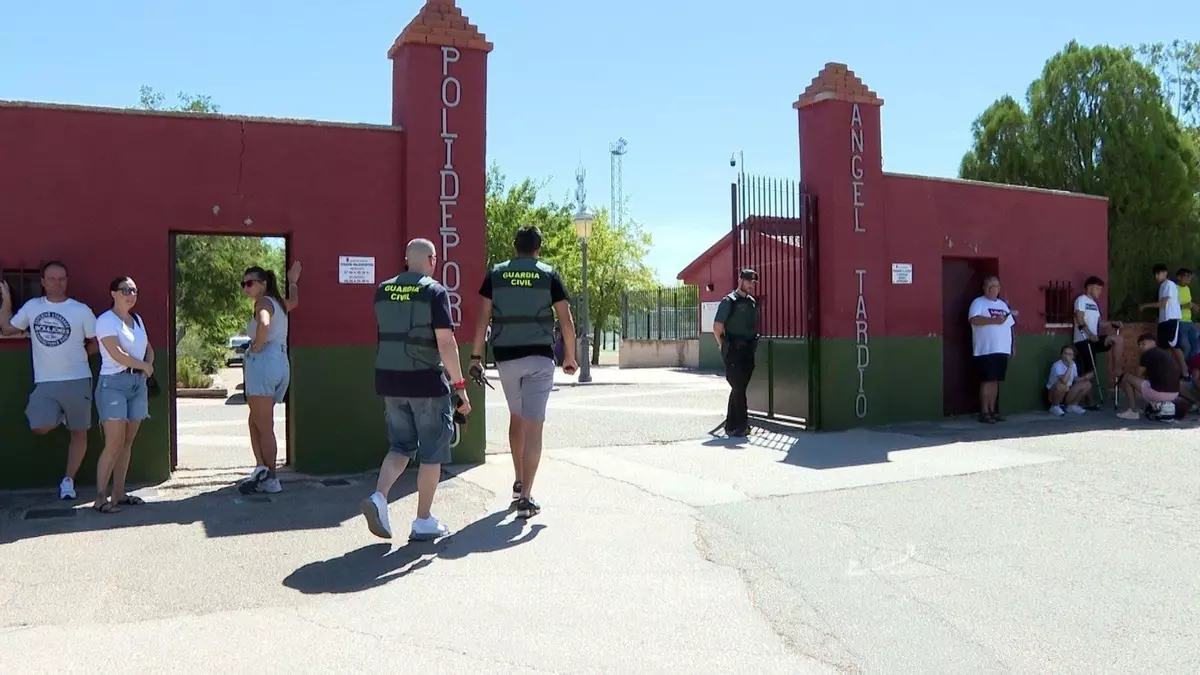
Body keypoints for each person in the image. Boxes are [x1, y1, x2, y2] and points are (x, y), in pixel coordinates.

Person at [360, 238, 470, 540]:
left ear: (407, 259)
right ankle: (423, 520)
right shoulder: (434, 291)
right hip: (425, 382)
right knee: (432, 453)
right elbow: (445, 342)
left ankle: (379, 497)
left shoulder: (383, 290)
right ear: (432, 260)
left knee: (400, 447)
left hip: (390, 381)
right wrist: (460, 387)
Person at [469, 224, 577, 519]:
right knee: (534, 426)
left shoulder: (496, 273)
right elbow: (566, 320)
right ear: (538, 249)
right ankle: (526, 499)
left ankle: (518, 482)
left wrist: (476, 357)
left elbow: (482, 318)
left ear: (514, 246)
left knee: (517, 417)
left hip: (506, 358)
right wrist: (570, 356)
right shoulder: (548, 274)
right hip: (540, 357)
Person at [0, 261, 98, 500]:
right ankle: (60, 415)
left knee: (79, 433)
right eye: (52, 279)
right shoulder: (33, 307)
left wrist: (83, 355)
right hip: (46, 381)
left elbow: (98, 341)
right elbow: (7, 328)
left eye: (61, 278)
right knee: (38, 426)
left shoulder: (81, 310)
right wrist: (7, 300)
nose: (57, 283)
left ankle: (68, 481)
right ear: (43, 282)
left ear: (67, 281)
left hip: (78, 379)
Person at [91, 276, 154, 513]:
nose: (131, 295)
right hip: (113, 384)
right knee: (114, 442)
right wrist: (144, 366)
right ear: (114, 293)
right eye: (126, 290)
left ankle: (119, 492)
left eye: (135, 290)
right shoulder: (106, 321)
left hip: (138, 383)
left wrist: (147, 367)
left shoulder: (137, 319)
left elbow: (148, 348)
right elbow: (116, 354)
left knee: (127, 441)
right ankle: (100, 497)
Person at [238, 262, 301, 495]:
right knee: (256, 420)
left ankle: (271, 478)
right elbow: (294, 302)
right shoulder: (279, 303)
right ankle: (262, 469)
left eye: (250, 283)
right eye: (243, 284)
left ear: (263, 284)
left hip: (264, 362)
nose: (246, 288)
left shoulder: (263, 303)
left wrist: (256, 346)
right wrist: (293, 282)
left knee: (264, 426)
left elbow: (264, 323)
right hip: (281, 362)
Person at [713, 268, 760, 437]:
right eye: (748, 281)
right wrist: (723, 346)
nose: (751, 285)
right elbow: (717, 327)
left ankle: (730, 424)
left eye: (753, 282)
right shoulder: (729, 301)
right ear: (740, 281)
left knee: (739, 387)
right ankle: (742, 425)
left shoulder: (752, 302)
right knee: (738, 387)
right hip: (734, 350)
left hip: (748, 349)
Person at [968, 276, 1016, 424]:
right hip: (986, 349)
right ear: (984, 288)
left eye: (993, 286)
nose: (990, 289)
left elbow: (1010, 326)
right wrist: (994, 321)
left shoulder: (1003, 305)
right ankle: (984, 412)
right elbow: (974, 319)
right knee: (987, 380)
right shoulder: (978, 303)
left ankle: (992, 410)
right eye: (988, 286)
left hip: (1002, 348)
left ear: (999, 288)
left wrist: (1013, 345)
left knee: (996, 381)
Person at [1072, 276, 1124, 405]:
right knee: (1090, 372)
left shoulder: (1095, 304)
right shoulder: (1081, 300)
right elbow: (1080, 319)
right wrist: (1089, 334)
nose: (1100, 292)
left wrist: (1112, 323)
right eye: (1097, 288)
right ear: (1090, 287)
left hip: (1095, 339)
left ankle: (1117, 368)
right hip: (1083, 340)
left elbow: (1100, 322)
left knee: (1117, 339)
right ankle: (1089, 402)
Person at [1117, 333, 1191, 421]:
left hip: (1159, 393)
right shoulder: (1164, 353)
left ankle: (1132, 411)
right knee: (1146, 382)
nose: (1141, 347)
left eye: (1143, 344)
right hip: (1174, 394)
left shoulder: (1147, 354)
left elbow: (1137, 375)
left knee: (1126, 377)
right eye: (1139, 345)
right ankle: (1155, 406)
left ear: (1153, 342)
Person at [1140, 263, 1189, 381]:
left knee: (1174, 346)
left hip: (1171, 319)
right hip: (1164, 320)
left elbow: (1163, 303)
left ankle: (1185, 373)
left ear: (1165, 273)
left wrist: (1145, 306)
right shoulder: (1162, 286)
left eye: (1159, 273)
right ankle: (1166, 372)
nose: (1157, 276)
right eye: (1155, 274)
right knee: (1164, 347)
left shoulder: (1169, 285)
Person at [1045, 345, 1090, 416]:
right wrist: (1070, 366)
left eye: (1070, 354)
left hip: (1067, 391)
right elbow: (1064, 381)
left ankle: (1072, 406)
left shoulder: (1073, 364)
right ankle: (1054, 407)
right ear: (1061, 355)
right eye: (1065, 353)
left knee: (1087, 384)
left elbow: (1075, 378)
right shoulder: (1057, 365)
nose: (1067, 356)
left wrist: (1084, 378)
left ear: (1073, 357)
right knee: (1062, 385)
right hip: (1053, 394)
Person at [1175, 268, 1198, 362]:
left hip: (1189, 321)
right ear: (1179, 277)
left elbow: (1189, 304)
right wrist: (1185, 306)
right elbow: (1171, 307)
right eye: (1187, 276)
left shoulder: (1187, 289)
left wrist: (1194, 307)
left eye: (1190, 276)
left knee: (1196, 346)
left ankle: (1191, 367)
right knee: (1186, 347)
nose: (1189, 279)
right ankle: (1183, 368)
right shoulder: (1174, 289)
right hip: (1180, 321)